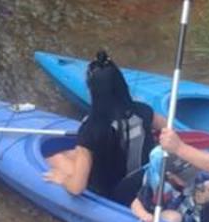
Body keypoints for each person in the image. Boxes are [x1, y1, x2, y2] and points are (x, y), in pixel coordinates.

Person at [43, 53, 155, 200]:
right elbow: (168, 127)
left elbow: (77, 189)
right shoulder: (143, 110)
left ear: (93, 91)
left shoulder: (92, 130)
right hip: (141, 178)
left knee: (56, 158)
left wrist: (63, 179)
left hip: (110, 191)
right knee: (73, 153)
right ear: (121, 85)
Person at [130, 143, 209, 222]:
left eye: (190, 173)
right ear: (170, 175)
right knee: (174, 218)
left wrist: (203, 197)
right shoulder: (160, 189)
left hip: (188, 209)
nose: (189, 178)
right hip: (168, 214)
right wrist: (145, 216)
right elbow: (136, 203)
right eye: (184, 177)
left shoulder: (191, 177)